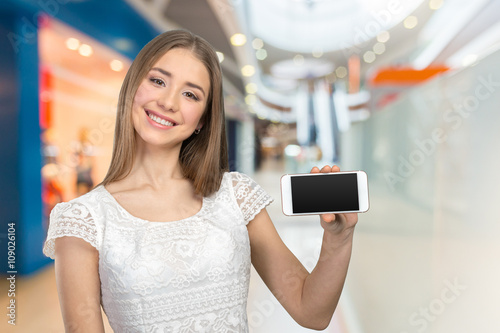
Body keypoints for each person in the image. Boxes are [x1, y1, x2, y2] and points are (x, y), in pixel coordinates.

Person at [43, 29, 358, 332]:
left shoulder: (236, 195)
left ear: (203, 119)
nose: (168, 102)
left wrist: (338, 241)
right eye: (157, 80)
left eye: (190, 94)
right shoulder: (82, 220)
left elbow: (312, 312)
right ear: (132, 88)